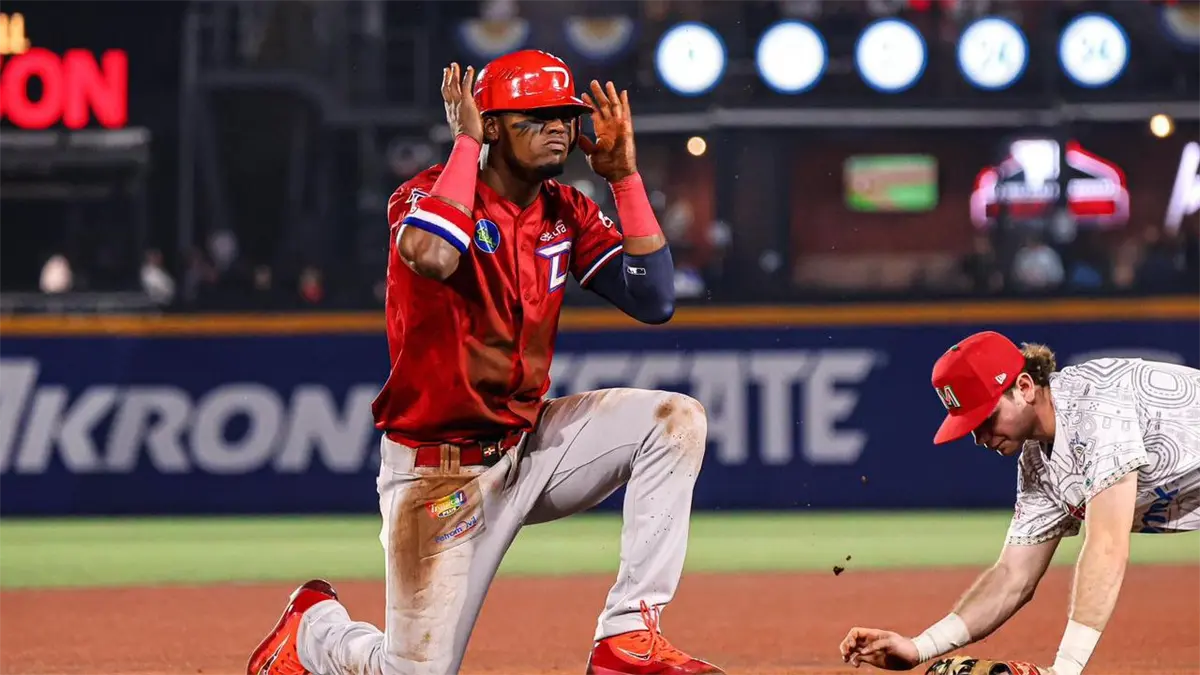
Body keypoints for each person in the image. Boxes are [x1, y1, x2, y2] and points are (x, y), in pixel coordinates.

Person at [247, 50, 723, 675]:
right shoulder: (421, 196)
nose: (560, 126)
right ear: (492, 126)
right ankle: (312, 631)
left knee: (674, 420)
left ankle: (627, 635)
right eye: (537, 116)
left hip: (528, 449)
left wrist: (625, 179)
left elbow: (655, 299)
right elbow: (434, 257)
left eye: (565, 115)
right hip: (438, 477)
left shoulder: (566, 210)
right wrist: (464, 147)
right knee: (413, 673)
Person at [839, 330, 1200, 675]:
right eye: (970, 426)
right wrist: (920, 646)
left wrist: (1065, 669)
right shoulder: (1037, 461)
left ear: (1024, 387)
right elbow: (1014, 576)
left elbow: (1107, 545)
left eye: (986, 418)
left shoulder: (1093, 410)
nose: (979, 437)